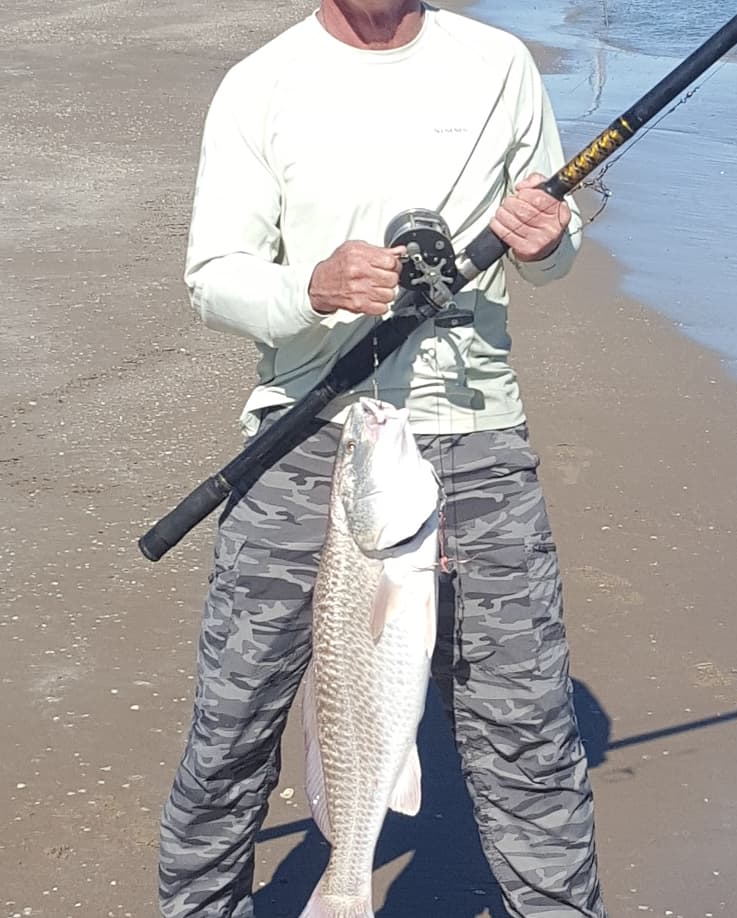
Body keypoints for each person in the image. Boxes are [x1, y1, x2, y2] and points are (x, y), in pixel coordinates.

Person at [159, 1, 608, 916]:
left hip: (475, 431)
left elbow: (552, 247)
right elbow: (214, 276)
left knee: (528, 733)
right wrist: (310, 287)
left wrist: (550, 242)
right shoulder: (263, 83)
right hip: (306, 432)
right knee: (233, 723)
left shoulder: (499, 63)